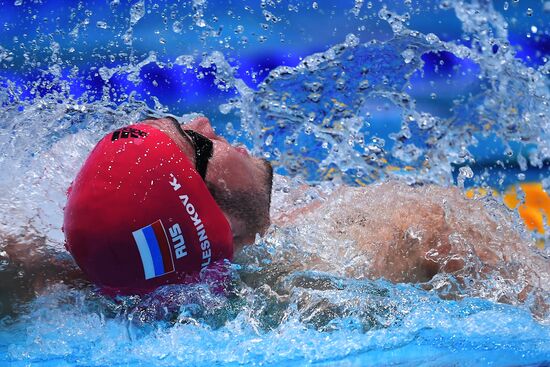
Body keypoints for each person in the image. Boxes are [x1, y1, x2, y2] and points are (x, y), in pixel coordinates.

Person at [7, 116, 550, 316]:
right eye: (196, 145)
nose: (203, 120)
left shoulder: (86, 286)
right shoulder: (400, 233)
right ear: (212, 218)